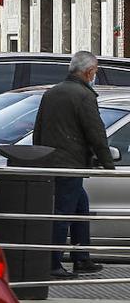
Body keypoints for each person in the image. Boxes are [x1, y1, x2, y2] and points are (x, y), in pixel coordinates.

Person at [33, 50, 113, 278]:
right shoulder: (84, 96)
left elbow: (38, 128)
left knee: (80, 207)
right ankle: (53, 264)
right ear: (89, 72)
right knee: (63, 213)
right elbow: (96, 132)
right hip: (70, 164)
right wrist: (108, 164)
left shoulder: (52, 93)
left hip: (52, 161)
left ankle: (81, 258)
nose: (94, 75)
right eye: (95, 72)